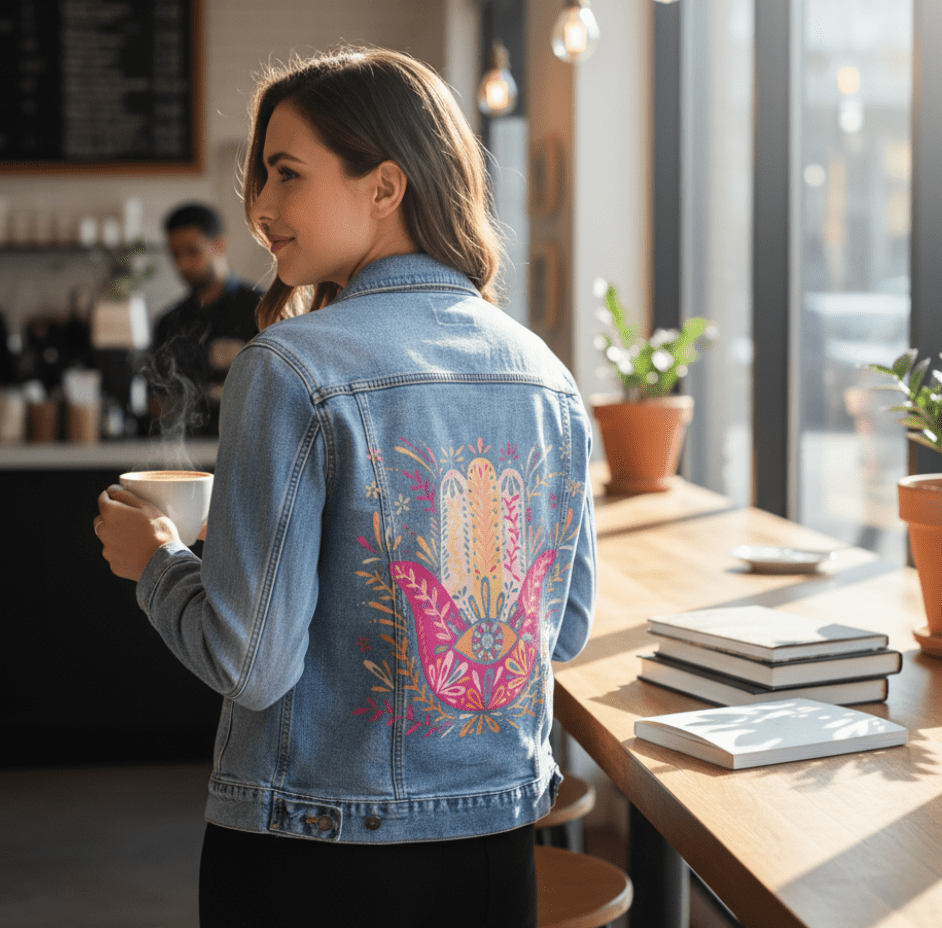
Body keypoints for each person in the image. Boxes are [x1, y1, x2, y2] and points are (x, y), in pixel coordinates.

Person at [94, 46, 596, 928]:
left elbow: (249, 664)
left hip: (312, 856)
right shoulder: (544, 372)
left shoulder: (291, 366)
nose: (258, 209)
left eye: (286, 176)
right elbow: (569, 625)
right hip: (498, 846)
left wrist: (158, 564)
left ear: (385, 186)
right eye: (260, 180)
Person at [147, 202, 261, 436]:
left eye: (192, 251)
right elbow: (157, 400)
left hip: (247, 445)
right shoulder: (169, 322)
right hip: (186, 451)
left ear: (219, 245)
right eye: (175, 255)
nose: (182, 265)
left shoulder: (263, 310)